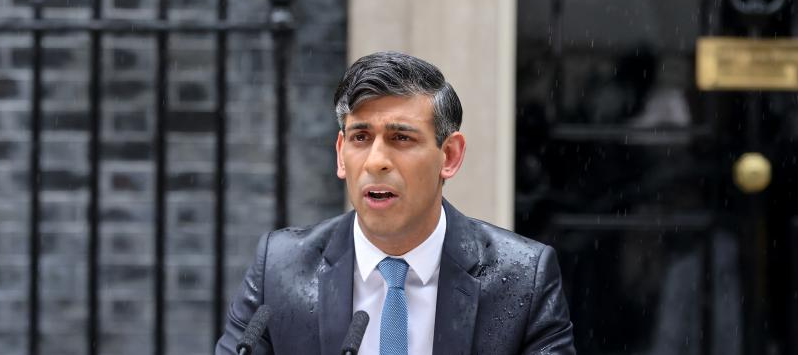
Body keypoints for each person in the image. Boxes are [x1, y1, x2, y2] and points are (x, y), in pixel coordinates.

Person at [215, 51, 575, 354]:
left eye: (401, 138)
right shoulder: (279, 269)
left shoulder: (524, 279)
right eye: (360, 137)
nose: (376, 162)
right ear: (341, 154)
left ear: (449, 155)